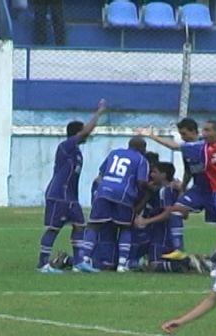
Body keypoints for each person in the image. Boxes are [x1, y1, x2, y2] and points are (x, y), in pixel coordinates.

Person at [36, 99, 107, 274]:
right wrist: (99, 112)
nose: (88, 136)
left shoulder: (77, 152)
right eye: (84, 133)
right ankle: (43, 264)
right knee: (53, 228)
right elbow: (86, 132)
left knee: (80, 226)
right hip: (58, 195)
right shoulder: (66, 146)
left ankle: (78, 262)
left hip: (71, 198)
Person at [139, 118, 216, 260]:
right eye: (180, 134)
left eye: (184, 134)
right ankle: (178, 249)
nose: (182, 137)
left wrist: (152, 136)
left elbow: (174, 146)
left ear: (194, 131)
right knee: (175, 210)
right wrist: (182, 187)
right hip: (199, 190)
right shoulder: (188, 149)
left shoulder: (202, 145)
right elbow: (189, 171)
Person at [75, 136, 150, 273]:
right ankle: (122, 265)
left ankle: (83, 260)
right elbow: (141, 182)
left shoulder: (114, 153)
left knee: (94, 225)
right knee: (125, 227)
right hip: (124, 194)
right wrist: (147, 194)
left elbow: (101, 174)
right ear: (142, 148)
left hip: (103, 191)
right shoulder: (141, 159)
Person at [134, 162, 205, 273]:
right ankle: (187, 263)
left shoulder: (165, 191)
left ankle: (188, 262)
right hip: (171, 237)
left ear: (163, 175)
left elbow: (168, 213)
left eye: (154, 172)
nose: (151, 175)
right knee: (154, 262)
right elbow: (184, 215)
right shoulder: (173, 189)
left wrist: (146, 221)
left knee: (153, 265)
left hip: (161, 235)